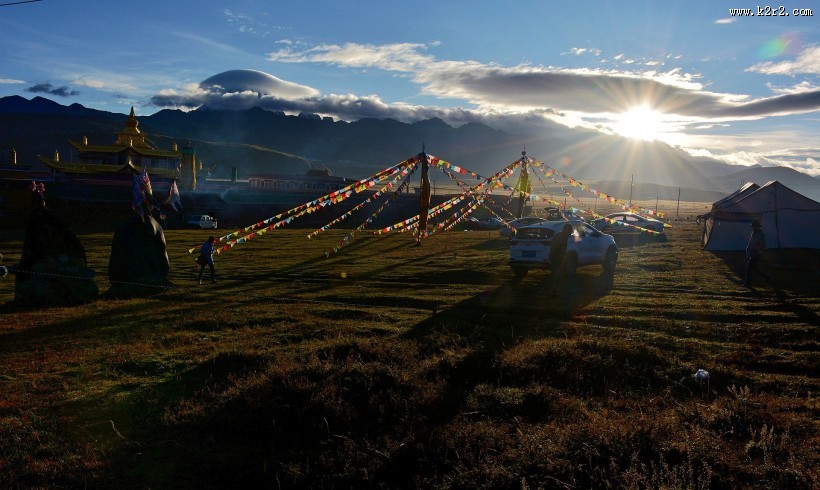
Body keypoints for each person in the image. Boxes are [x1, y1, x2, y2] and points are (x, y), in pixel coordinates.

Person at [742, 220, 770, 288]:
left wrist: (756, 250)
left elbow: (763, 245)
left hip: (757, 254)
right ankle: (767, 277)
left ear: (757, 227)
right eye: (753, 226)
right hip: (753, 253)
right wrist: (748, 251)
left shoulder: (761, 235)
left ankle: (748, 282)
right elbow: (750, 243)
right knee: (754, 268)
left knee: (749, 268)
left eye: (754, 226)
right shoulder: (753, 233)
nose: (753, 228)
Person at [549, 223, 573, 294]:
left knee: (558, 275)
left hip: (559, 258)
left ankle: (555, 290)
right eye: (570, 230)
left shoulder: (563, 236)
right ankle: (554, 290)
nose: (571, 231)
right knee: (556, 275)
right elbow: (554, 248)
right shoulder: (560, 237)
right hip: (556, 258)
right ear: (566, 229)